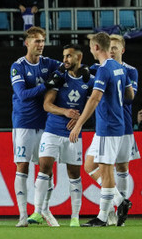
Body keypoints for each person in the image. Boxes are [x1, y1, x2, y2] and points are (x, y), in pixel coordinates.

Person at [68, 32, 134, 227]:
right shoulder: (119, 68)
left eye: (90, 46)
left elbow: (95, 99)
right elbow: (130, 94)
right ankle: (121, 201)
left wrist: (78, 124)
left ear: (96, 48)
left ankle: (103, 217)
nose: (90, 50)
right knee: (89, 165)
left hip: (109, 127)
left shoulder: (104, 70)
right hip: (111, 124)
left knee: (106, 172)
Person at [30, 44, 93, 228]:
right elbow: (47, 105)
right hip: (52, 130)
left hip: (73, 134)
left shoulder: (89, 81)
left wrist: (80, 119)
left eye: (69, 56)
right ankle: (38, 211)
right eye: (64, 56)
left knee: (74, 173)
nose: (65, 60)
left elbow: (92, 105)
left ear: (79, 58)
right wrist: (65, 111)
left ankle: (74, 217)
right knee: (44, 167)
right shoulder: (58, 77)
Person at [10, 26, 62, 228]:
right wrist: (47, 85)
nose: (40, 45)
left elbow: (67, 67)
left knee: (47, 167)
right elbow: (22, 94)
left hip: (47, 123)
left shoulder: (49, 63)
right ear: (27, 43)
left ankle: (43, 210)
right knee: (22, 166)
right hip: (24, 123)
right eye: (36, 41)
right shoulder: (18, 66)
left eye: (42, 41)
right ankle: (23, 214)